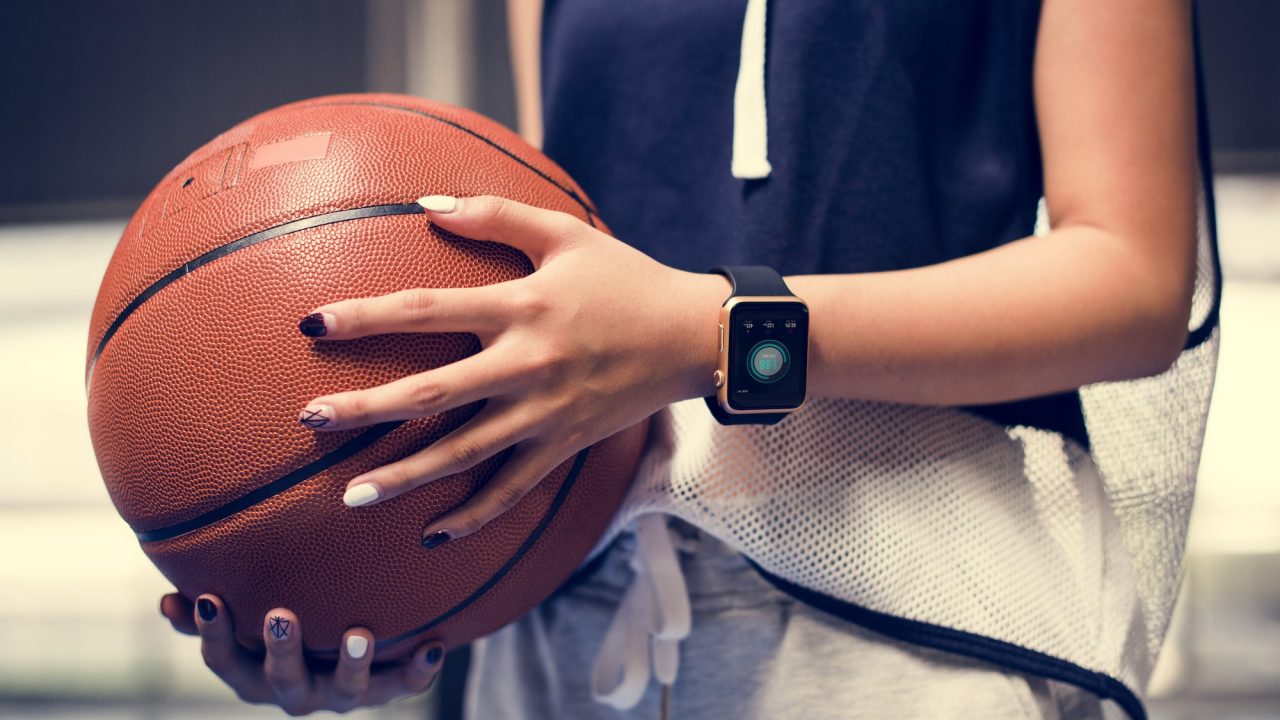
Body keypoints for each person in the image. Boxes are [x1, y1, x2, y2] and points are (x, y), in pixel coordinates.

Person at [160, 0, 1219, 717]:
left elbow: (1130, 285)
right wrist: (391, 584)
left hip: (905, 629)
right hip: (561, 622)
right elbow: (556, 266)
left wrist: (710, 330)